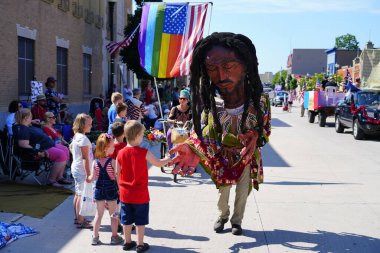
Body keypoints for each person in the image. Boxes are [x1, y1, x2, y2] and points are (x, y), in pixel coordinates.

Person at [169, 32, 271, 236]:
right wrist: (191, 148)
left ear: (245, 65)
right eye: (212, 69)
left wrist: (256, 136)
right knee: (223, 191)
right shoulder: (211, 105)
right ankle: (223, 215)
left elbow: (265, 131)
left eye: (229, 66)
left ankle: (237, 221)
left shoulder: (259, 103)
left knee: (242, 192)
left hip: (246, 157)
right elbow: (202, 134)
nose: (221, 76)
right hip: (221, 158)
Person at [116, 120, 171, 252]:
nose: (143, 137)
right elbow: (158, 163)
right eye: (142, 135)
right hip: (140, 194)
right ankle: (140, 244)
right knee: (140, 221)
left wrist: (120, 189)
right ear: (136, 136)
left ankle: (127, 242)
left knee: (126, 219)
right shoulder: (143, 152)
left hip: (125, 193)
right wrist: (169, 158)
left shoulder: (121, 153)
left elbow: (117, 173)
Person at [13, 108, 71, 187]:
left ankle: (59, 177)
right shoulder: (22, 129)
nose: (32, 118)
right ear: (26, 118)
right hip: (42, 149)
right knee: (61, 155)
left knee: (65, 149)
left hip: (47, 144)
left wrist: (32, 121)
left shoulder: (25, 125)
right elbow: (23, 144)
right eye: (31, 117)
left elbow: (20, 123)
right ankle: (51, 180)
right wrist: (38, 151)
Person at [89, 133, 124, 246]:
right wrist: (120, 189)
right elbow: (117, 177)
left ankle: (95, 237)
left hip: (99, 190)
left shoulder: (95, 162)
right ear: (106, 148)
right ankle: (114, 237)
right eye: (113, 145)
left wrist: (87, 178)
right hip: (111, 190)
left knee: (98, 215)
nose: (114, 147)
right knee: (113, 214)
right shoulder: (113, 161)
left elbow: (93, 177)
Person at [70, 113, 94, 229]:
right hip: (81, 170)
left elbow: (70, 147)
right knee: (81, 195)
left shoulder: (77, 135)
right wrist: (89, 174)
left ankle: (78, 217)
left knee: (77, 193)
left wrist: (76, 156)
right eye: (89, 124)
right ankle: (80, 220)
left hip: (76, 167)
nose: (91, 126)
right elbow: (85, 158)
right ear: (83, 125)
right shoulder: (83, 139)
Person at [166, 89, 192, 162]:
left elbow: (193, 120)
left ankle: (188, 155)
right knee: (169, 134)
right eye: (180, 98)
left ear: (188, 100)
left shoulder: (190, 110)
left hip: (186, 129)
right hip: (175, 128)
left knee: (192, 139)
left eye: (184, 98)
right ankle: (171, 154)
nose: (182, 100)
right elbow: (168, 119)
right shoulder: (174, 108)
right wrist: (174, 121)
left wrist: (189, 123)